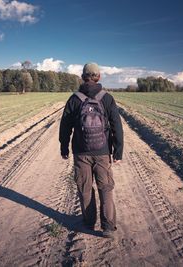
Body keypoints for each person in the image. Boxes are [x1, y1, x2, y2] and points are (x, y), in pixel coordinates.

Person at [59, 62, 124, 238]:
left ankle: (88, 223)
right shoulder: (107, 98)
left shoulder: (74, 99)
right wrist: (117, 151)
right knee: (106, 188)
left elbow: (65, 125)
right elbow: (117, 125)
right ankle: (108, 227)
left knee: (84, 187)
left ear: (82, 77)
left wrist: (64, 147)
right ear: (99, 77)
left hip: (81, 152)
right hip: (102, 151)